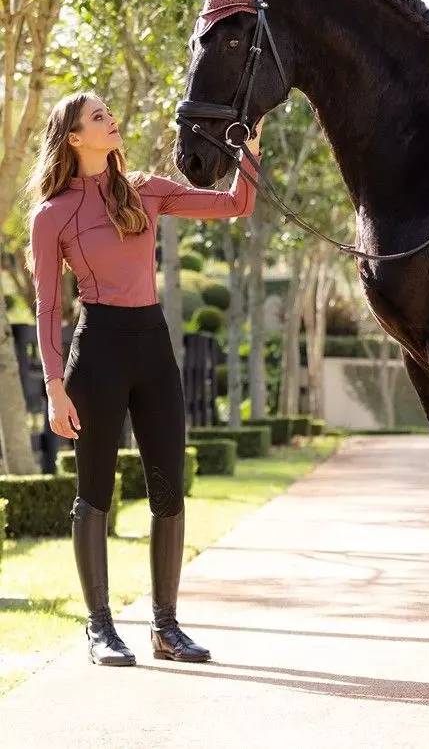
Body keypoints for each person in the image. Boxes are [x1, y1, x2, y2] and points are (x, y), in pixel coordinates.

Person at [25, 91, 263, 666]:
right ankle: (100, 628)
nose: (112, 120)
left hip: (153, 349)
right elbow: (47, 308)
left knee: (168, 489)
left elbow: (235, 204)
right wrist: (54, 387)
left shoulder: (145, 190)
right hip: (97, 353)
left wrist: (250, 148)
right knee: (95, 493)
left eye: (110, 112)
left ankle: (166, 627)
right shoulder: (52, 214)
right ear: (75, 137)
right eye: (98, 117)